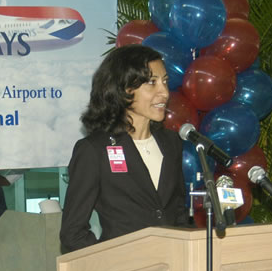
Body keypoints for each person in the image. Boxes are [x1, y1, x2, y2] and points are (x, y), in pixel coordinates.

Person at [60, 44, 190, 253]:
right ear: (124, 89)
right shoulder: (95, 150)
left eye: (165, 81)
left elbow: (179, 214)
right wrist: (112, 264)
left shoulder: (171, 143)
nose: (164, 92)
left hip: (173, 270)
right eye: (151, 83)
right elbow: (72, 232)